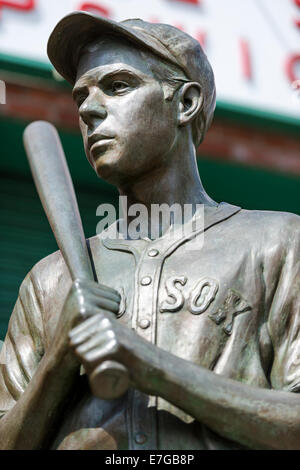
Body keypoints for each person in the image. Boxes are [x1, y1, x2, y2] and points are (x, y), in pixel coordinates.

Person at [0, 11, 300, 450]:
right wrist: (58, 361)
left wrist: (153, 367)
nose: (88, 108)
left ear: (184, 103)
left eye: (117, 86)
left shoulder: (277, 243)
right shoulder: (49, 282)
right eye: (80, 95)